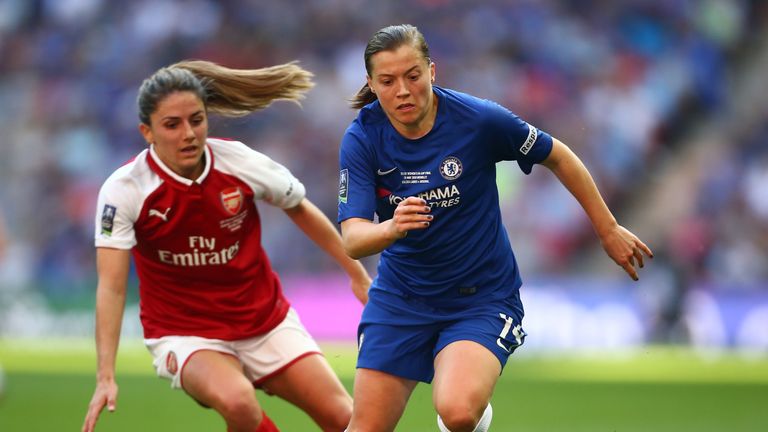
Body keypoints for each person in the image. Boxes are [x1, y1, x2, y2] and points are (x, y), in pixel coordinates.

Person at [337, 24, 653, 432]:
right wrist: (392, 229)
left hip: (479, 297)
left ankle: (474, 414)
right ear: (371, 84)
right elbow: (353, 238)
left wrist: (607, 228)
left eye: (412, 76)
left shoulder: (479, 120)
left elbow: (558, 155)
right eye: (388, 81)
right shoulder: (362, 138)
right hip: (402, 298)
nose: (402, 90)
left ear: (433, 71)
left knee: (457, 412)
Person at [82, 60, 372, 432]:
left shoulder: (239, 162)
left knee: (348, 419)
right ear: (147, 131)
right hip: (185, 334)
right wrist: (105, 375)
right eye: (172, 125)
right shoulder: (124, 191)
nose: (188, 133)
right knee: (239, 403)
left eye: (196, 120)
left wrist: (355, 273)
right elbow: (111, 286)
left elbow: (299, 206)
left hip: (265, 321)